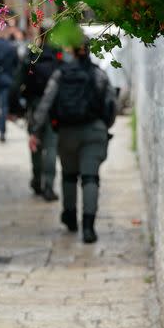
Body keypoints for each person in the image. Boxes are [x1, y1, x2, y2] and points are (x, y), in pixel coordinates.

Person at [32, 39, 117, 243]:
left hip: (67, 132)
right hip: (94, 130)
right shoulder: (98, 74)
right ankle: (88, 227)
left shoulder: (61, 74)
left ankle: (70, 216)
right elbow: (111, 102)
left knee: (69, 176)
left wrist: (35, 129)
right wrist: (105, 126)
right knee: (90, 178)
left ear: (70, 51)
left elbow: (46, 103)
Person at [15, 34, 61, 200]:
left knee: (35, 144)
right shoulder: (59, 57)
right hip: (54, 108)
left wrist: (15, 106)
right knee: (51, 147)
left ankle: (36, 180)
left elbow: (18, 80)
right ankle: (49, 186)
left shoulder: (32, 57)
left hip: (34, 107)